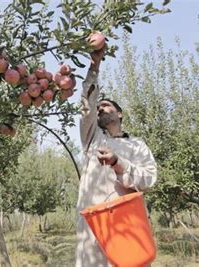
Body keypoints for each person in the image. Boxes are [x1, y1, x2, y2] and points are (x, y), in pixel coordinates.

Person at [76, 46, 157, 266]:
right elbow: (87, 107)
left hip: (128, 227)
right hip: (94, 229)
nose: (100, 109)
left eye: (106, 105)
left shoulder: (137, 146)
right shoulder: (93, 138)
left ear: (119, 114)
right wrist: (94, 66)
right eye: (99, 107)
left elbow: (148, 179)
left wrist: (117, 163)